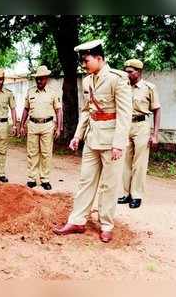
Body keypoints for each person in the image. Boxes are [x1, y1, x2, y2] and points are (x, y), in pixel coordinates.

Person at [53, 40, 133, 243]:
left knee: (109, 184)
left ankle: (106, 224)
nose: (83, 64)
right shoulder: (88, 81)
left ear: (99, 58)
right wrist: (78, 135)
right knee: (85, 180)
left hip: (111, 140)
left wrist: (119, 143)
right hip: (92, 138)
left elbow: (125, 114)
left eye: (86, 60)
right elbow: (87, 111)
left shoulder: (117, 79)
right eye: (82, 61)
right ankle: (77, 220)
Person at [118, 59, 161, 209]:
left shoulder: (149, 88)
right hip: (125, 125)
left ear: (139, 72)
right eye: (126, 71)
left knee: (140, 163)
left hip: (142, 125)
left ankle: (136, 195)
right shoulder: (123, 87)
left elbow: (156, 110)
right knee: (125, 161)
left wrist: (155, 134)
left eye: (131, 72)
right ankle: (125, 193)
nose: (127, 74)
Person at [19, 65, 63, 190]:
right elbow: (26, 109)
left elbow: (59, 110)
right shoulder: (30, 92)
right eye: (37, 79)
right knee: (32, 153)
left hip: (47, 126)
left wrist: (59, 128)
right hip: (32, 125)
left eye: (41, 79)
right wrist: (21, 125)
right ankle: (32, 179)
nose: (39, 81)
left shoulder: (53, 93)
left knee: (46, 153)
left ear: (46, 79)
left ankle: (45, 179)